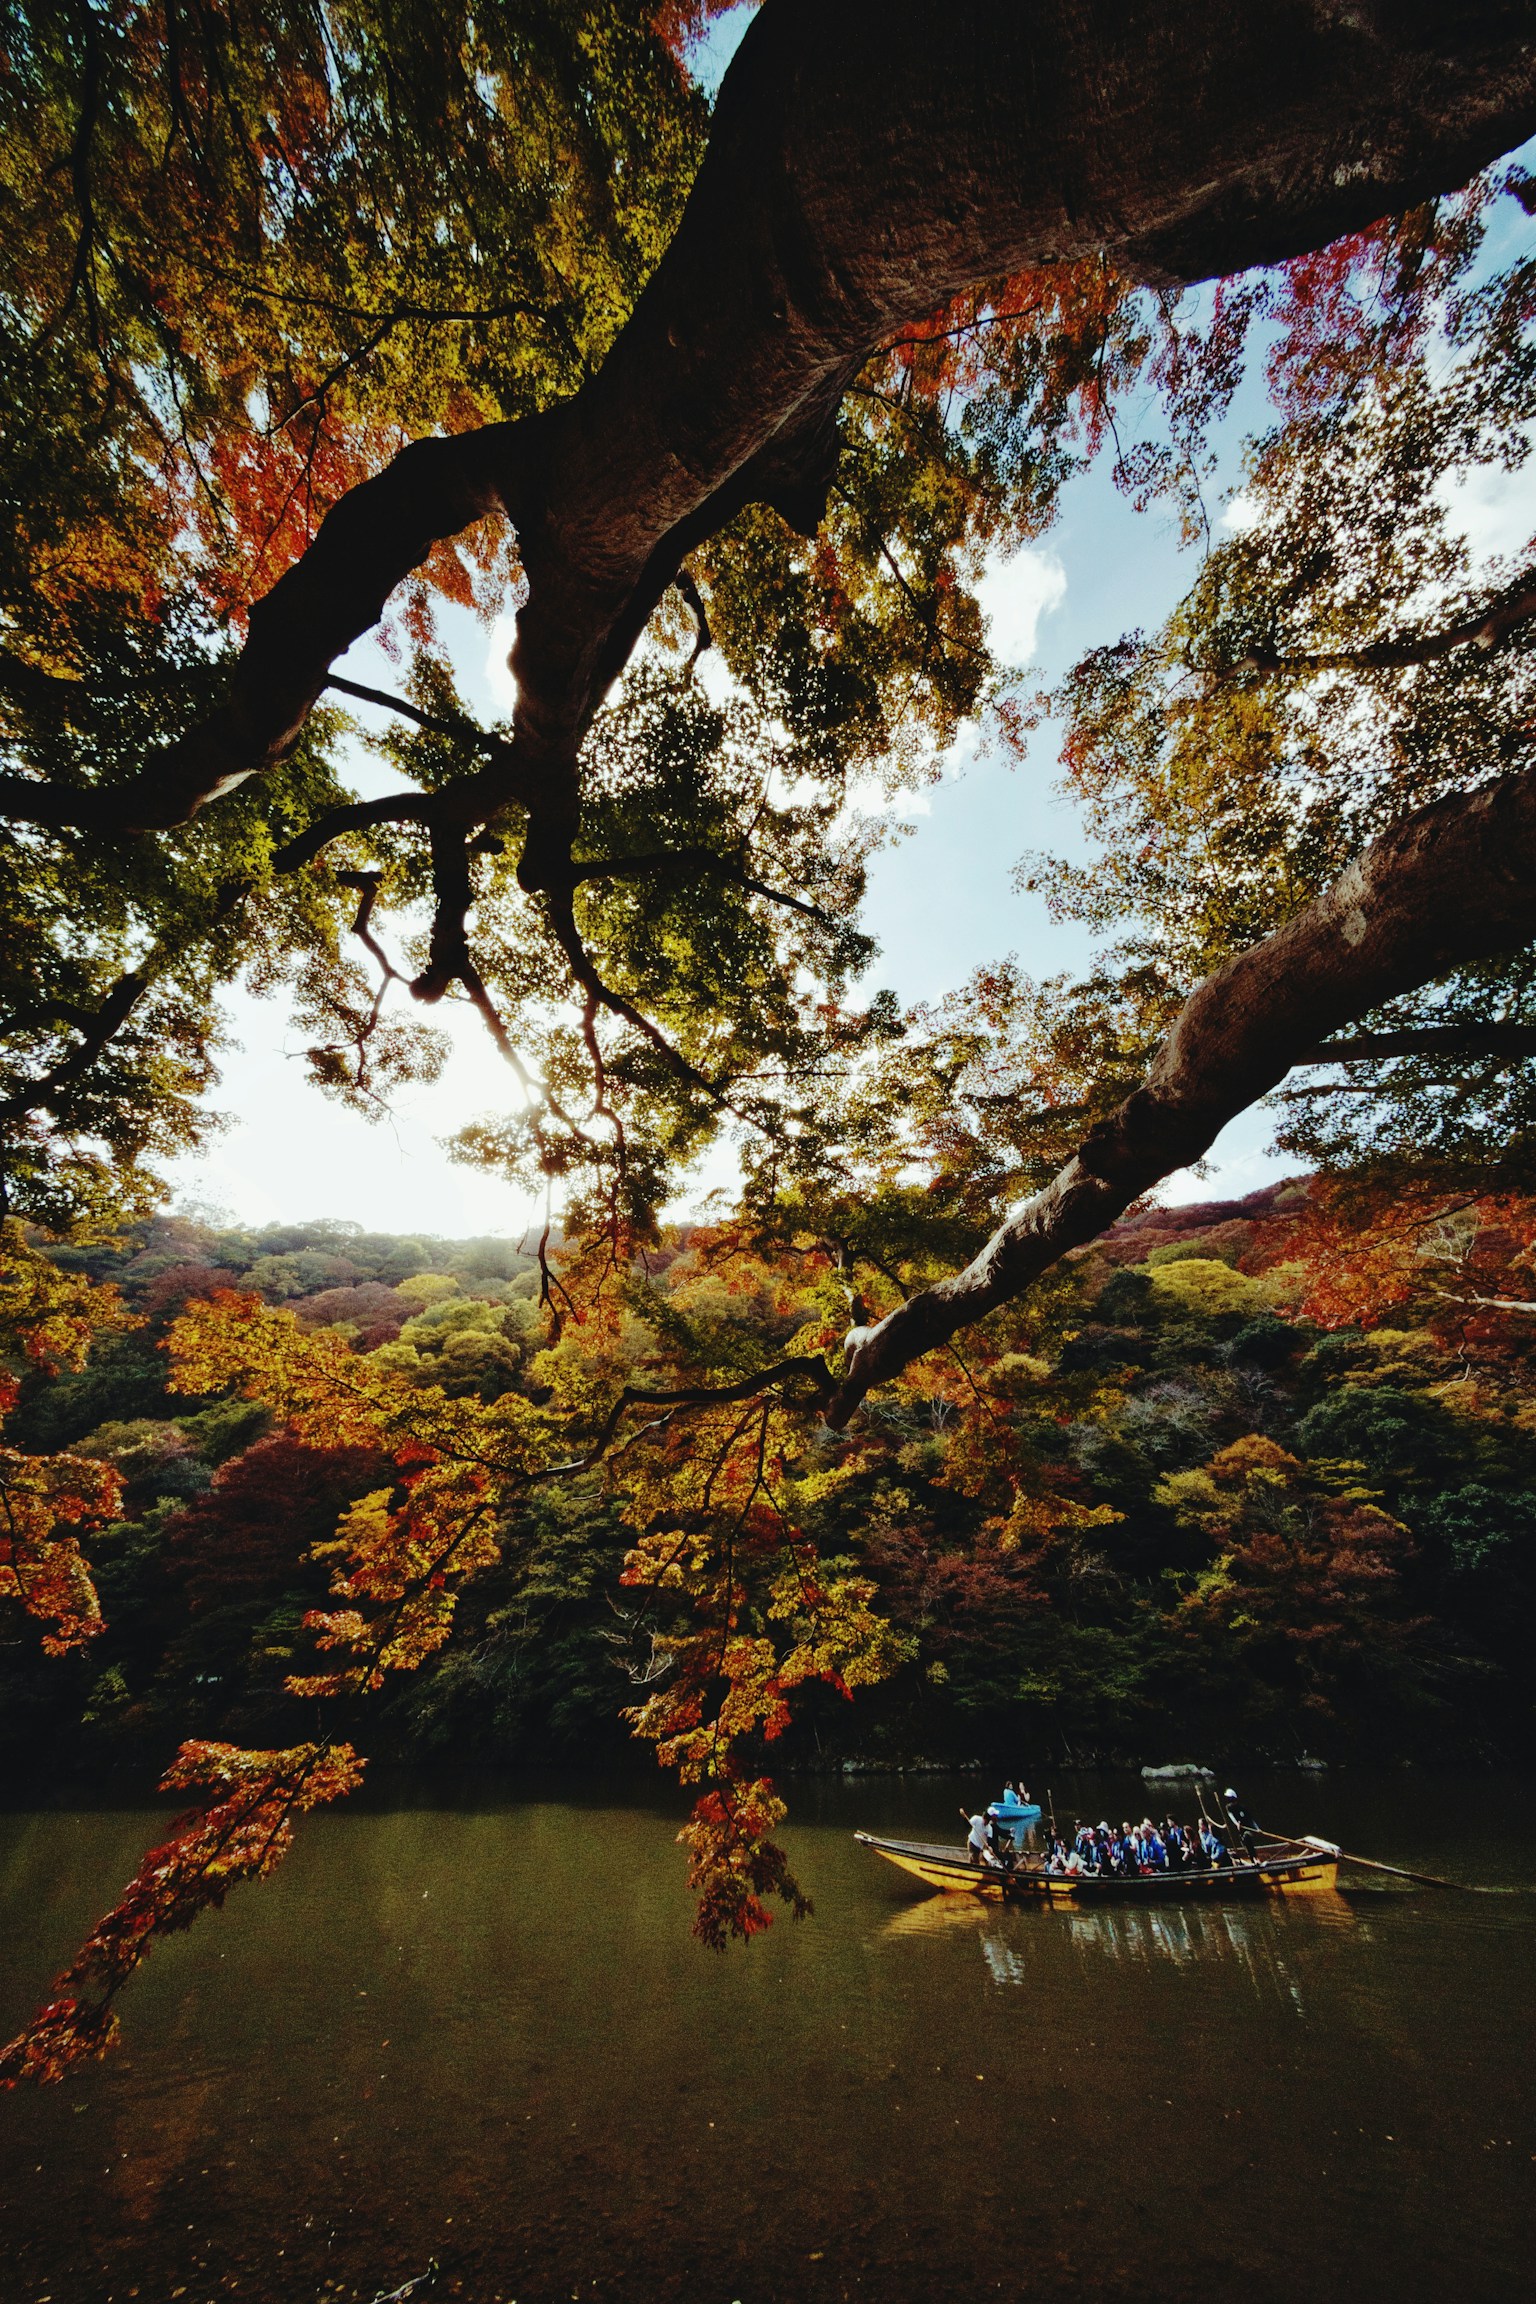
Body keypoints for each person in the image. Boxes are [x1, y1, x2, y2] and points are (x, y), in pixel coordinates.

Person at [1225, 1787, 1260, 1859]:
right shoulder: (1229, 1808)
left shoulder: (1242, 1808)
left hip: (1247, 1830)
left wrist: (1257, 1828)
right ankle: (1252, 1859)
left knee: (1247, 1838)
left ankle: (1255, 1858)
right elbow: (1231, 1817)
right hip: (1239, 1831)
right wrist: (1237, 1823)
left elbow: (1250, 1819)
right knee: (1244, 1844)